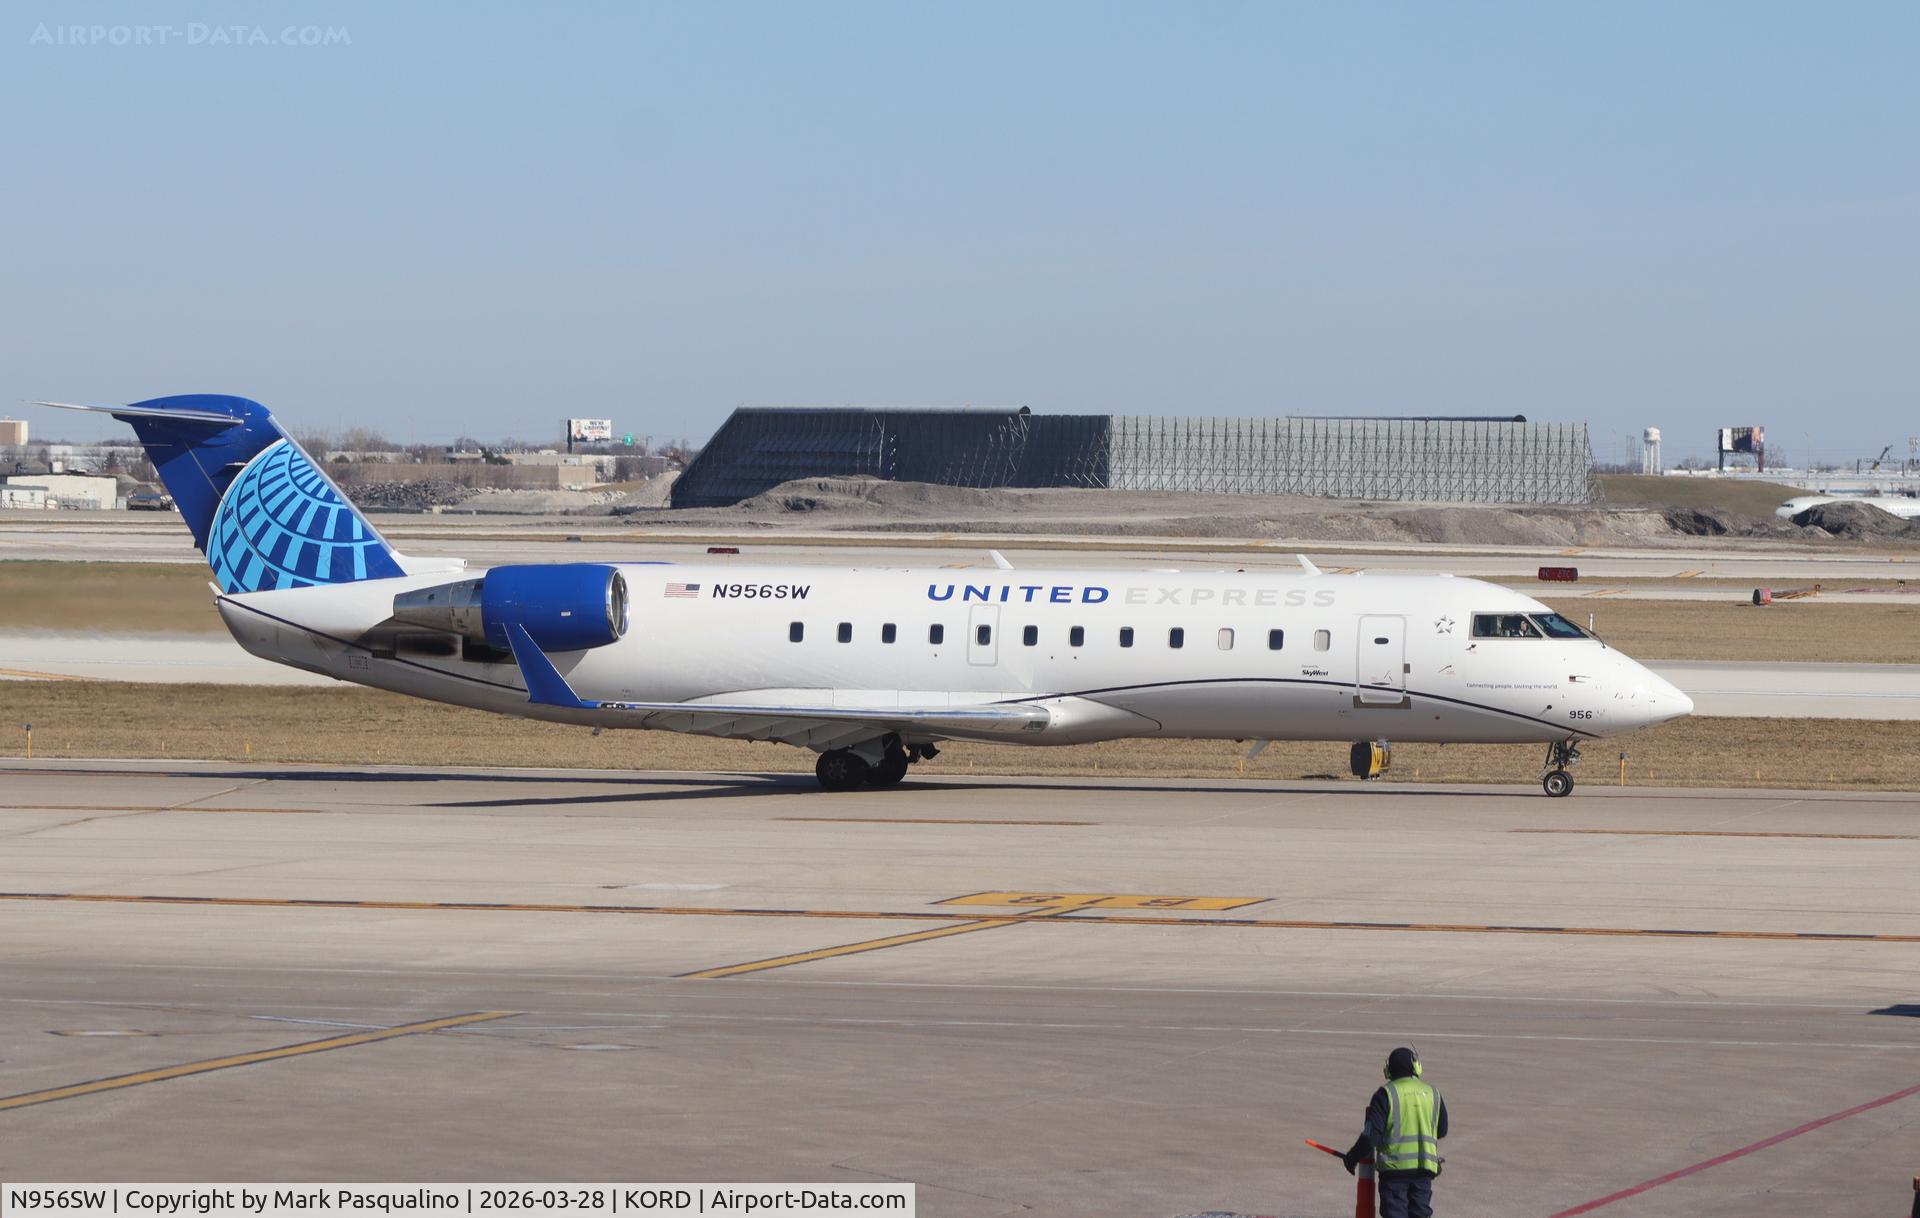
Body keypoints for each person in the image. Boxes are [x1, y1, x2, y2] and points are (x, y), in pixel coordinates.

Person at [1343, 1047, 1448, 1218]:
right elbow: (1442, 1130)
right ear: (1416, 1067)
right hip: (1424, 1171)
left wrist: (1352, 1158)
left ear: (1388, 1070)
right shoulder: (1433, 1093)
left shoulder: (1386, 1094)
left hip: (1395, 1173)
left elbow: (1371, 1137)